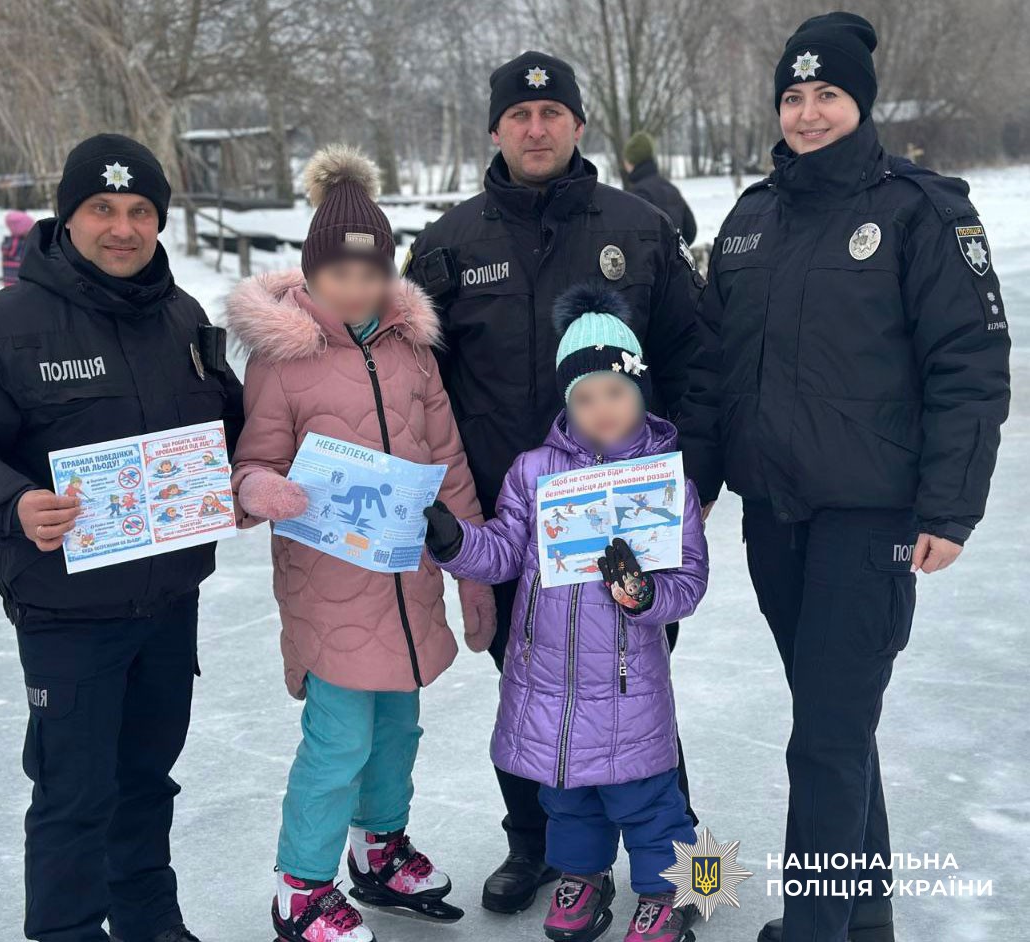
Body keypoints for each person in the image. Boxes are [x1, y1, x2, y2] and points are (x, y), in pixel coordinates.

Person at [678, 13, 1011, 942]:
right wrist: (691, 487)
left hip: (871, 522)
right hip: (774, 517)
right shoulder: (749, 219)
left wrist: (948, 505)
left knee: (825, 737)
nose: (807, 112)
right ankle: (862, 924)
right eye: (792, 96)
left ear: (860, 103)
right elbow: (711, 371)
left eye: (827, 94)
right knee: (836, 727)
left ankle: (816, 929)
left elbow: (968, 364)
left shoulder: (919, 211)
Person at [0, 133, 245, 942]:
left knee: (147, 780)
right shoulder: (2, 325)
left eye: (140, 210)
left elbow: (226, 424)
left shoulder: (183, 316)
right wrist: (13, 502)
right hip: (68, 610)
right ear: (68, 216)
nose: (122, 228)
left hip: (169, 601)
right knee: (75, 795)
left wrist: (244, 473)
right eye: (102, 208)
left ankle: (151, 924)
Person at [404, 49, 704, 913]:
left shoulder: (640, 227)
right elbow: (413, 381)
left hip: (626, 527)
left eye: (551, 114)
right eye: (518, 116)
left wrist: (690, 483)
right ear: (494, 129)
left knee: (635, 693)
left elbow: (696, 359)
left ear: (577, 123)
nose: (535, 129)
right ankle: (538, 847)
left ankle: (682, 868)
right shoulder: (448, 244)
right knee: (530, 691)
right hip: (511, 526)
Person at [226, 145, 493, 942]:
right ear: (311, 273)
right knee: (338, 741)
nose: (354, 287)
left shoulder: (411, 350)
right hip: (328, 586)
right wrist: (259, 489)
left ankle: (378, 850)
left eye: (369, 271)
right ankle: (301, 888)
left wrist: (473, 569)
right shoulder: (282, 360)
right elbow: (252, 460)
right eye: (337, 273)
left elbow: (447, 460)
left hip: (405, 584)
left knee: (397, 732)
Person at [423, 284, 708, 942]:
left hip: (627, 681)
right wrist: (454, 541)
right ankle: (583, 876)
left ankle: (674, 890)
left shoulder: (667, 481)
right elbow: (503, 552)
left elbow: (688, 582)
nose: (601, 409)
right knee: (567, 794)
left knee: (645, 796)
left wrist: (645, 596)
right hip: (547, 677)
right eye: (584, 397)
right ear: (566, 402)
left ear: (640, 391)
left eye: (615, 391)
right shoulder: (533, 472)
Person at [622, 132, 697, 246]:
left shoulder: (636, 194)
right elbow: (690, 230)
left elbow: (627, 235)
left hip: (648, 257)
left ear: (631, 160)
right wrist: (675, 250)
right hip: (674, 256)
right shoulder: (671, 189)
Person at [2, 209, 36, 285]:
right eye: (29, 229)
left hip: (9, 284)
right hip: (21, 285)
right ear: (22, 230)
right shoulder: (23, 245)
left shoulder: (8, 244)